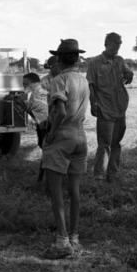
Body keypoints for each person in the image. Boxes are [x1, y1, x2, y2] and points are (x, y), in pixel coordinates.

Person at [41, 39, 89, 259]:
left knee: (56, 191)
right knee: (75, 190)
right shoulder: (83, 80)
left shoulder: (59, 81)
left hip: (62, 136)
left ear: (59, 59)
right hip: (80, 136)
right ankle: (75, 237)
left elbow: (59, 112)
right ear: (77, 59)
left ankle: (62, 241)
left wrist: (50, 135)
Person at [87, 33, 133, 182]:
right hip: (105, 108)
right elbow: (91, 85)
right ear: (106, 43)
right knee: (104, 144)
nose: (117, 48)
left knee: (116, 143)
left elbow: (128, 73)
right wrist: (93, 103)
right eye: (115, 45)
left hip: (120, 107)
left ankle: (112, 173)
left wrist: (130, 73)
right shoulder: (94, 62)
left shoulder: (120, 60)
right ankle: (99, 176)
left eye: (119, 45)